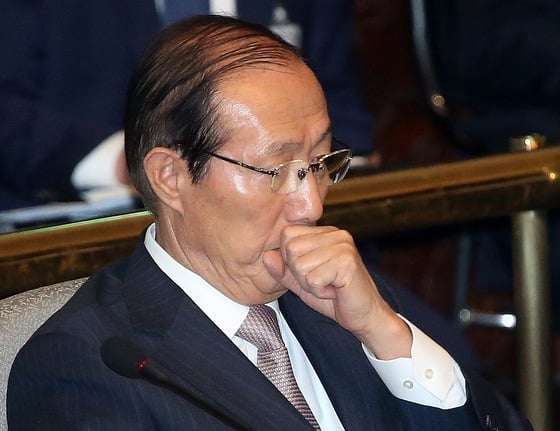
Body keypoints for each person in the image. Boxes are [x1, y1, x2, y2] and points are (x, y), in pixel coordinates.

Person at [7, 16, 531, 430]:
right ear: (171, 177)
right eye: (277, 171)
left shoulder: (352, 302)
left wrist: (385, 333)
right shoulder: (88, 363)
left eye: (320, 164)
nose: (310, 206)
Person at [0, 0, 373, 212]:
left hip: (292, 222)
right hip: (82, 236)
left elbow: (340, 100)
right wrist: (125, 161)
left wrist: (308, 161)